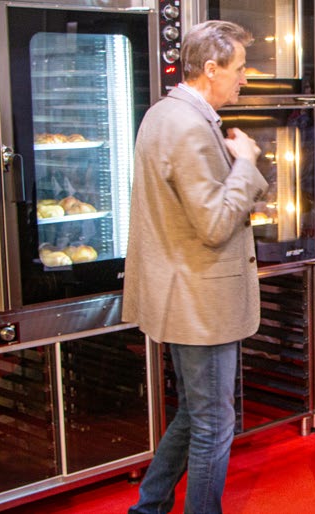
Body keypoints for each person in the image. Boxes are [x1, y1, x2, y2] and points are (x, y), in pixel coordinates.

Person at [123, 20, 268, 514]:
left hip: (181, 293)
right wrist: (245, 162)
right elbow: (214, 224)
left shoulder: (163, 113)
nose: (244, 78)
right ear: (210, 69)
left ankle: (148, 507)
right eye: (239, 68)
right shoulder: (188, 126)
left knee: (193, 414)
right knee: (213, 425)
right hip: (200, 301)